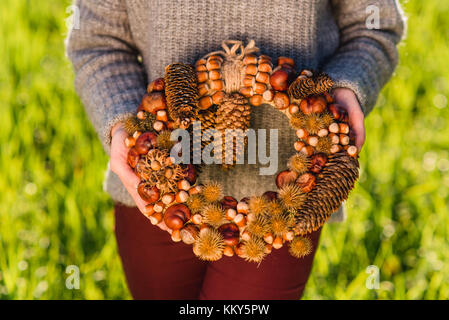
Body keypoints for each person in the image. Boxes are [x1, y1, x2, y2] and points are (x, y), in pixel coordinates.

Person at [67, 0, 405, 299]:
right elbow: (99, 41)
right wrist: (126, 125)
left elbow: (372, 26)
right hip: (156, 187)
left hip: (286, 202)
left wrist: (345, 88)